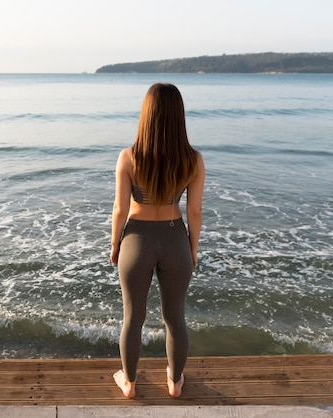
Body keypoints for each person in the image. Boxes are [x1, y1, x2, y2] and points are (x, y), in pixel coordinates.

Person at [110, 83, 205, 399]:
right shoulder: (192, 160)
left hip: (136, 240)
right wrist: (191, 249)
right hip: (175, 239)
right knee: (175, 317)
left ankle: (130, 382)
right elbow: (194, 212)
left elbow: (121, 209)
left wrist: (114, 245)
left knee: (133, 317)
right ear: (179, 116)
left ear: (145, 115)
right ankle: (175, 382)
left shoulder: (129, 157)